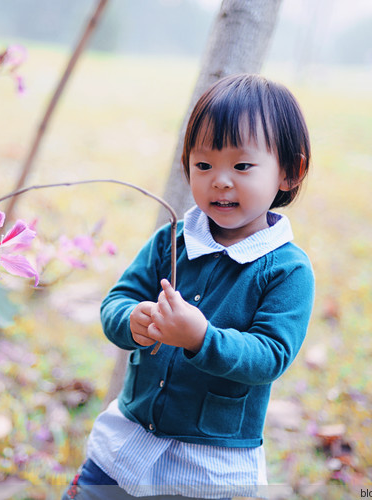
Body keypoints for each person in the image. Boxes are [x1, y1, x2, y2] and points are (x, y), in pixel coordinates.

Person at [63, 73, 314, 500]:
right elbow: (117, 300)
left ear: (289, 172)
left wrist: (201, 339)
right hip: (126, 441)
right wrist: (131, 319)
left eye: (241, 166)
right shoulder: (172, 239)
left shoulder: (287, 271)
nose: (220, 180)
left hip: (206, 465)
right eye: (204, 165)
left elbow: (270, 356)